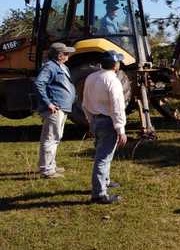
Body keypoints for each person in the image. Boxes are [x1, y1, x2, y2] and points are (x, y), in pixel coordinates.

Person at [82, 51, 127, 204]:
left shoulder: (91, 77)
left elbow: (85, 102)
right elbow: (117, 107)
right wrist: (121, 129)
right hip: (108, 122)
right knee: (103, 158)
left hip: (95, 120)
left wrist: (90, 121)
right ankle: (99, 194)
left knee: (102, 155)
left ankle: (104, 181)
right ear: (115, 65)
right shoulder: (113, 81)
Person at [35, 42, 77, 178]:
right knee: (50, 138)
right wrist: (48, 103)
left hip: (62, 107)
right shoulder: (49, 67)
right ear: (59, 55)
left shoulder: (61, 66)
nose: (68, 55)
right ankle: (47, 170)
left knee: (55, 137)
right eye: (66, 53)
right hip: (55, 108)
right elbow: (39, 83)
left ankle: (51, 166)